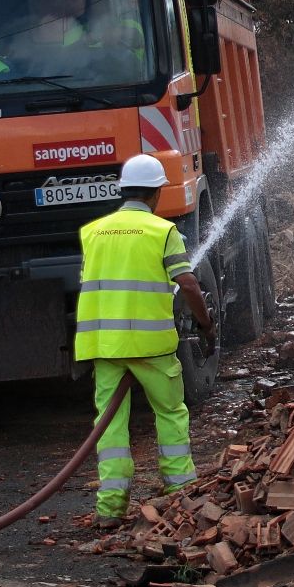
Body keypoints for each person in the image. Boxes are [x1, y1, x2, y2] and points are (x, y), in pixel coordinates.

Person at [76, 154, 216, 530]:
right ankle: (180, 493)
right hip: (152, 347)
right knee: (170, 414)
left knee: (109, 426)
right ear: (155, 193)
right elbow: (186, 283)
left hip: (104, 347)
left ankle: (110, 508)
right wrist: (206, 325)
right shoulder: (162, 231)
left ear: (123, 191)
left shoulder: (92, 233)